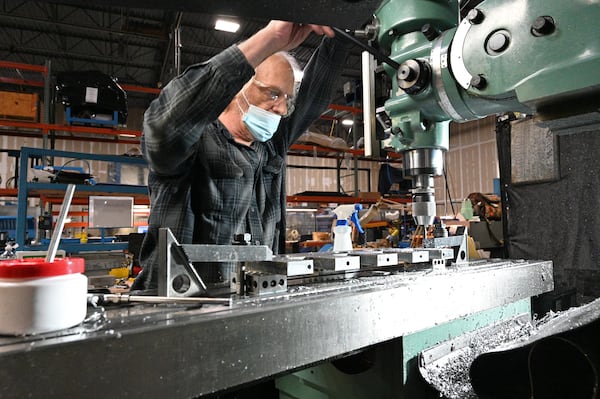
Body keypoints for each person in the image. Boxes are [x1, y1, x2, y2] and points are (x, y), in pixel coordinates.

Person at [132, 20, 349, 291]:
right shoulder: (191, 143)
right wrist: (271, 38)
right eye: (273, 93)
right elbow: (164, 126)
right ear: (236, 88)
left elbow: (314, 96)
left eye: (287, 99)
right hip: (183, 309)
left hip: (251, 305)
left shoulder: (270, 145)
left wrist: (341, 32)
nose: (282, 108)